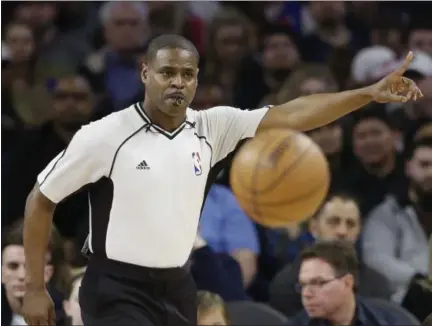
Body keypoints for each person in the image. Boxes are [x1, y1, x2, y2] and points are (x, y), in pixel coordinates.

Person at [22, 34, 422, 326]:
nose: (177, 82)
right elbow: (40, 200)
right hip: (115, 285)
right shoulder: (105, 134)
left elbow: (297, 113)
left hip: (177, 282)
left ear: (197, 79)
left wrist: (368, 94)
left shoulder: (213, 126)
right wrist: (38, 289)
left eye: (187, 74)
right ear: (145, 74)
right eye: (167, 72)